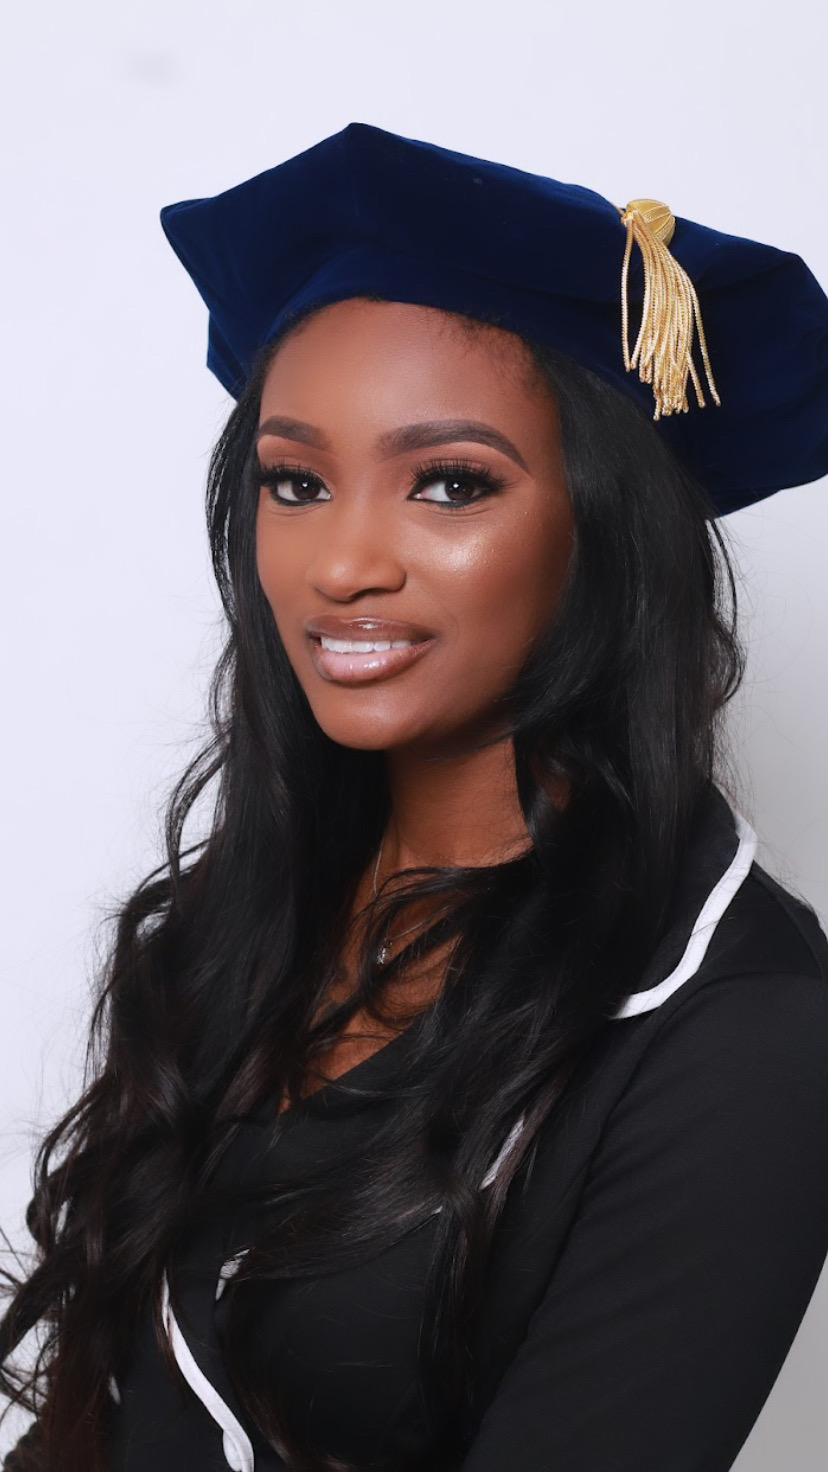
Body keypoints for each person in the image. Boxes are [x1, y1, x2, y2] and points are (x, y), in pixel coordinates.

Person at [3, 122, 828, 1472]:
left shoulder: (743, 1030)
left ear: (606, 527)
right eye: (296, 483)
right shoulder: (243, 913)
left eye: (450, 484)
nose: (341, 565)